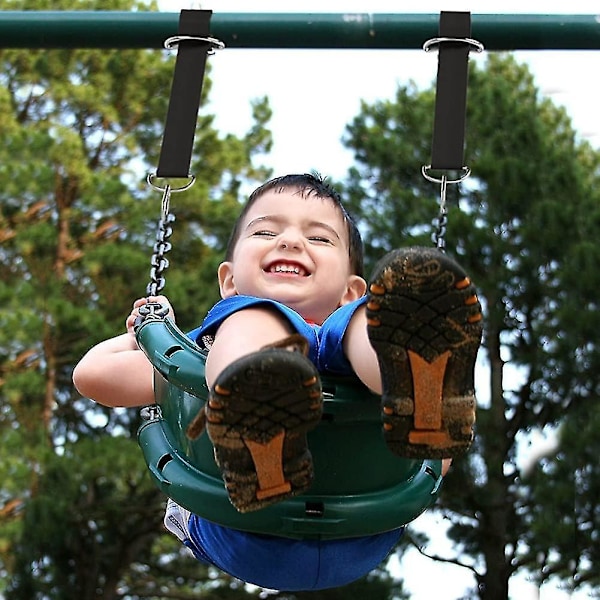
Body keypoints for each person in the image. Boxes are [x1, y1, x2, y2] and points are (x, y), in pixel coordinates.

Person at [73, 173, 483, 591]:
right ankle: (258, 416)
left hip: (364, 518)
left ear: (348, 288)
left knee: (371, 321)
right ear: (229, 281)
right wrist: (146, 330)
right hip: (239, 523)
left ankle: (417, 375)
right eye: (266, 231)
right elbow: (93, 377)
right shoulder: (211, 344)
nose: (289, 241)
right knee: (254, 320)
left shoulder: (350, 317)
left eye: (320, 239)